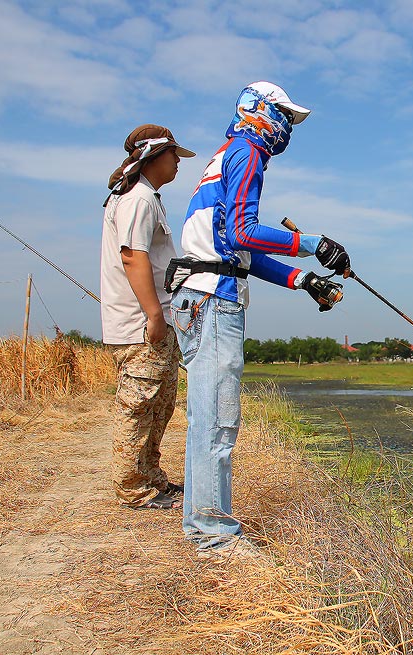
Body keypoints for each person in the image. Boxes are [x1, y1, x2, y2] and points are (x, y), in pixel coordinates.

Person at [170, 82, 351, 555]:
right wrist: (312, 243)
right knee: (217, 420)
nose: (287, 126)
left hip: (203, 293)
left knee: (207, 416)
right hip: (212, 299)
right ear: (258, 112)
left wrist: (303, 280)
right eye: (283, 115)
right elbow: (243, 231)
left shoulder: (227, 155)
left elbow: (235, 247)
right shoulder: (247, 150)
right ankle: (212, 536)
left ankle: (203, 524)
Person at [100, 124, 196, 510]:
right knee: (139, 406)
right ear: (155, 156)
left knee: (161, 402)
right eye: (174, 155)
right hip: (141, 323)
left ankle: (151, 476)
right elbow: (132, 256)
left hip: (156, 320)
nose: (178, 163)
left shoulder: (147, 198)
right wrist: (154, 315)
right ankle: (132, 487)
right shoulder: (137, 199)